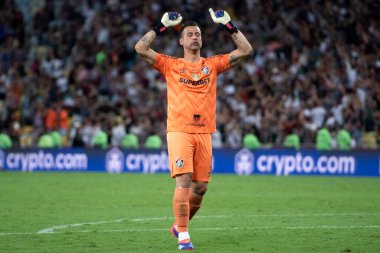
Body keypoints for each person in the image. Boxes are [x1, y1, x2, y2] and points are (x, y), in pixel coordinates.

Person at [135, 8, 253, 250]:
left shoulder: (213, 65)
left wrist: (228, 24)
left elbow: (245, 51)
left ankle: (179, 225)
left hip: (204, 132)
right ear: (181, 40)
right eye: (189, 34)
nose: (195, 37)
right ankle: (184, 237)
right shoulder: (170, 65)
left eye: (198, 34)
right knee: (184, 181)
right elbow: (140, 49)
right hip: (179, 130)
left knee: (201, 188)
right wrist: (161, 26)